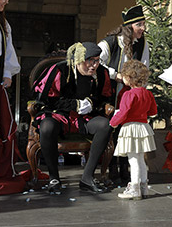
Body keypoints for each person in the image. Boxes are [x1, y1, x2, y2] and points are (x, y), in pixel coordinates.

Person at [33, 42, 113, 194]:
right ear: (79, 60)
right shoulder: (60, 70)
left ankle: (87, 178)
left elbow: (105, 97)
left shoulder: (102, 73)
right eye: (90, 60)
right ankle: (54, 178)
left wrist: (92, 103)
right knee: (46, 127)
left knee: (105, 125)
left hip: (85, 118)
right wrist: (74, 104)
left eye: (97, 60)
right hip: (59, 115)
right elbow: (44, 99)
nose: (94, 65)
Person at [98, 5, 149, 185]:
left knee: (126, 130)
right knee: (112, 130)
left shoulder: (142, 43)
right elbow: (97, 62)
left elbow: (144, 68)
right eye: (139, 24)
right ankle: (111, 168)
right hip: (110, 94)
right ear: (129, 26)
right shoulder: (110, 42)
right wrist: (116, 75)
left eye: (143, 24)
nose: (143, 28)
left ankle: (125, 170)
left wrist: (139, 90)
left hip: (130, 95)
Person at [109, 60, 157, 200]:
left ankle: (134, 188)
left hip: (130, 128)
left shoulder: (128, 94)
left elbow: (123, 113)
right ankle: (143, 187)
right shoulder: (148, 94)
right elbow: (153, 111)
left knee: (133, 160)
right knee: (141, 159)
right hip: (143, 127)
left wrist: (112, 123)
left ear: (129, 78)